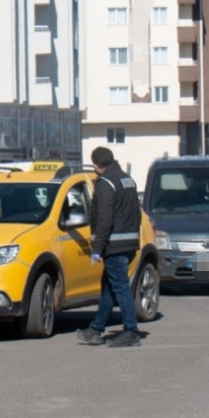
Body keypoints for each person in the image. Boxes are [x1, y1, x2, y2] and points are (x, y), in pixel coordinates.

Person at [77, 146, 143, 348]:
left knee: (121, 288)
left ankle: (131, 331)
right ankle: (95, 329)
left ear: (96, 165)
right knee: (109, 288)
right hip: (129, 243)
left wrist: (97, 248)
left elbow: (104, 218)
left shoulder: (106, 183)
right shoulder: (127, 180)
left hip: (114, 245)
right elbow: (137, 213)